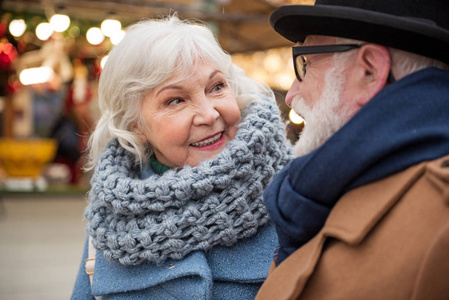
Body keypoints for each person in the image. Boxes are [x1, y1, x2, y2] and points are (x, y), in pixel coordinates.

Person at [71, 15, 293, 299]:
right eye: (175, 100)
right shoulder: (112, 222)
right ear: (136, 126)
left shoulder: (294, 193)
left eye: (216, 87)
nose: (209, 114)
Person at [256, 0, 449, 299]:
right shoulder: (327, 191)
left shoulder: (439, 218)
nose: (292, 94)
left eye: (306, 64)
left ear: (369, 71)